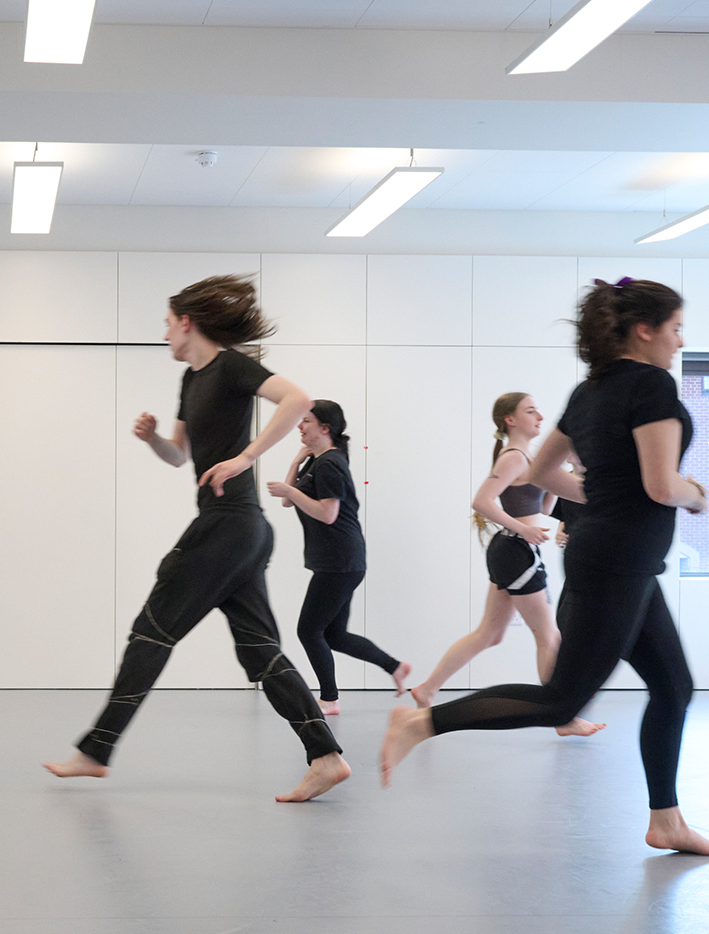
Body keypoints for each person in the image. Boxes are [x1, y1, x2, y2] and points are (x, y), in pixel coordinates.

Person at [383, 278, 709, 856]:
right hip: (620, 560)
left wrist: (602, 496)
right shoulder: (652, 386)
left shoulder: (591, 390)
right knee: (562, 700)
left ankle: (666, 820)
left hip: (617, 557)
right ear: (644, 330)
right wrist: (697, 495)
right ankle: (422, 723)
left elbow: (540, 473)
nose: (680, 341)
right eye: (676, 328)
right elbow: (662, 487)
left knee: (673, 686)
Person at [44, 275, 350, 803]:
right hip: (238, 531)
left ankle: (96, 751)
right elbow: (180, 455)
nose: (164, 334)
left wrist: (246, 457)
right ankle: (326, 757)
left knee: (152, 631)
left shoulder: (231, 366)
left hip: (229, 525)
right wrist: (153, 439)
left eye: (167, 324)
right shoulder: (190, 380)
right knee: (259, 651)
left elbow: (296, 399)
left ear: (187, 323)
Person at [406, 392, 599, 740]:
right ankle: (562, 717)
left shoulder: (528, 458)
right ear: (510, 420)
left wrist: (554, 474)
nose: (540, 416)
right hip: (516, 550)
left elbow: (545, 506)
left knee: (490, 634)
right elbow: (481, 501)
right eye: (530, 411)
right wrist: (523, 529)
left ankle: (427, 688)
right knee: (549, 635)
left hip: (512, 550)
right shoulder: (513, 457)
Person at [265, 400, 409, 716]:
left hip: (340, 561)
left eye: (306, 421)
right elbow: (288, 502)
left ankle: (329, 699)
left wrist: (290, 491)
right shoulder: (318, 462)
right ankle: (395, 667)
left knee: (309, 631)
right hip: (339, 561)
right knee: (334, 635)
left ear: (325, 428)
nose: (300, 426)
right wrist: (295, 463)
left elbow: (328, 514)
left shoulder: (330, 463)